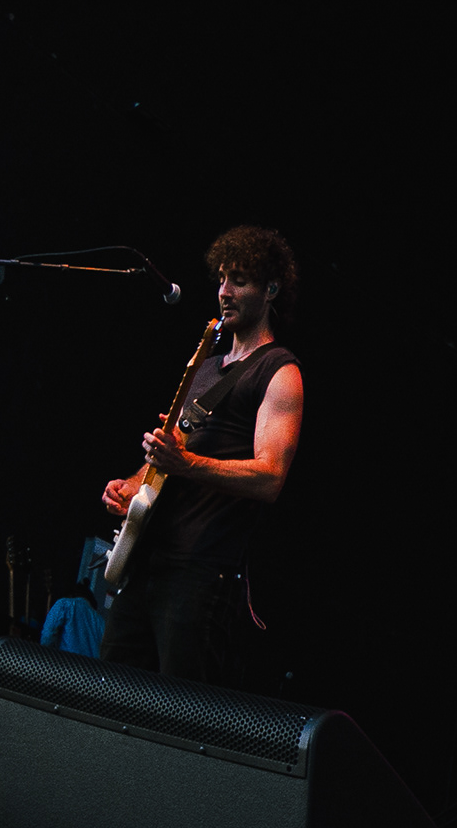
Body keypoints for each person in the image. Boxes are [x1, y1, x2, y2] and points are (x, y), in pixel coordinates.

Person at [99, 226, 305, 688]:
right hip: (148, 563)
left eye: (239, 281)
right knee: (110, 694)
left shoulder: (280, 371)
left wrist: (185, 464)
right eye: (222, 279)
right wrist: (132, 485)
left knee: (178, 710)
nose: (224, 292)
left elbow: (271, 477)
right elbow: (174, 452)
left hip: (200, 575)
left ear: (271, 290)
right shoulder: (206, 366)